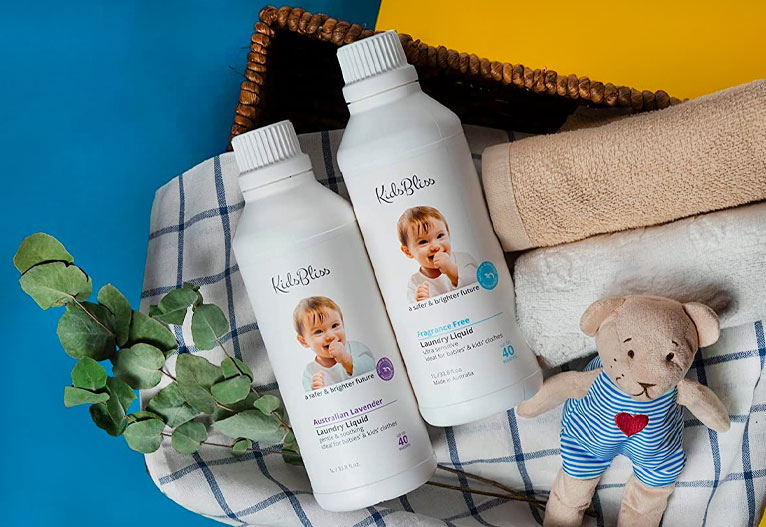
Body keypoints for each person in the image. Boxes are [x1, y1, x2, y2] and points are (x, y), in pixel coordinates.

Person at [294, 296, 375, 392]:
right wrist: (317, 391)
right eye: (318, 331)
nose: (330, 336)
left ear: (343, 324)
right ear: (303, 341)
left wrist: (347, 360)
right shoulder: (310, 372)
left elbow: (372, 368)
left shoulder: (357, 349)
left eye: (335, 326)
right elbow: (311, 397)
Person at [397, 206, 477, 303]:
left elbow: (478, 285)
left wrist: (452, 272)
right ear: (408, 252)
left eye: (440, 236)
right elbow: (416, 309)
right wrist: (422, 302)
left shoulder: (463, 260)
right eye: (423, 242)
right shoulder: (415, 283)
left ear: (448, 234)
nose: (435, 246)